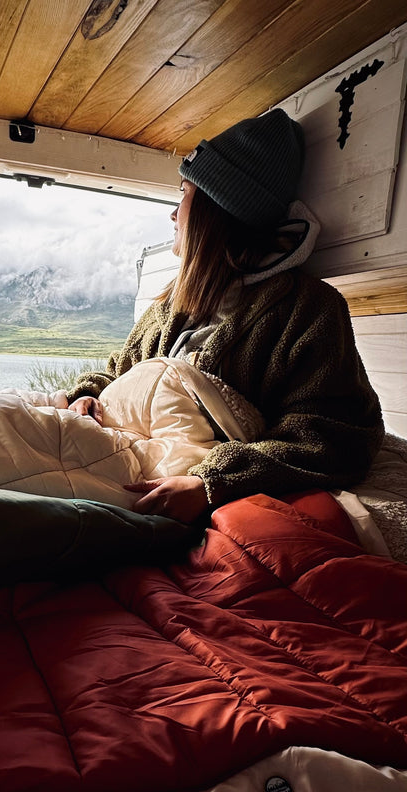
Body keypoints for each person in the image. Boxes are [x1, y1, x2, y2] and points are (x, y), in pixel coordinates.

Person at [65, 108, 384, 522]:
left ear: (216, 209)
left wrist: (211, 482)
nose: (173, 213)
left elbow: (332, 435)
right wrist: (86, 397)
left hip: (173, 481)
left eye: (183, 194)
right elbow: (118, 372)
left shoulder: (309, 309)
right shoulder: (171, 304)